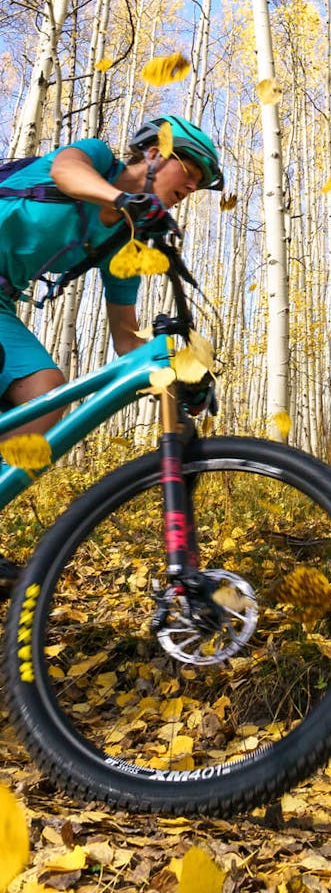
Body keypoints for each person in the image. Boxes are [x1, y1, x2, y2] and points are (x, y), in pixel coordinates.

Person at [0, 115, 224, 591]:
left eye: (201, 181)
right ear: (154, 154)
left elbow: (126, 338)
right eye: (189, 167)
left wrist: (184, 370)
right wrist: (123, 198)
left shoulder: (124, 241)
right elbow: (66, 171)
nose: (193, 183)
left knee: (46, 392)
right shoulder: (97, 159)